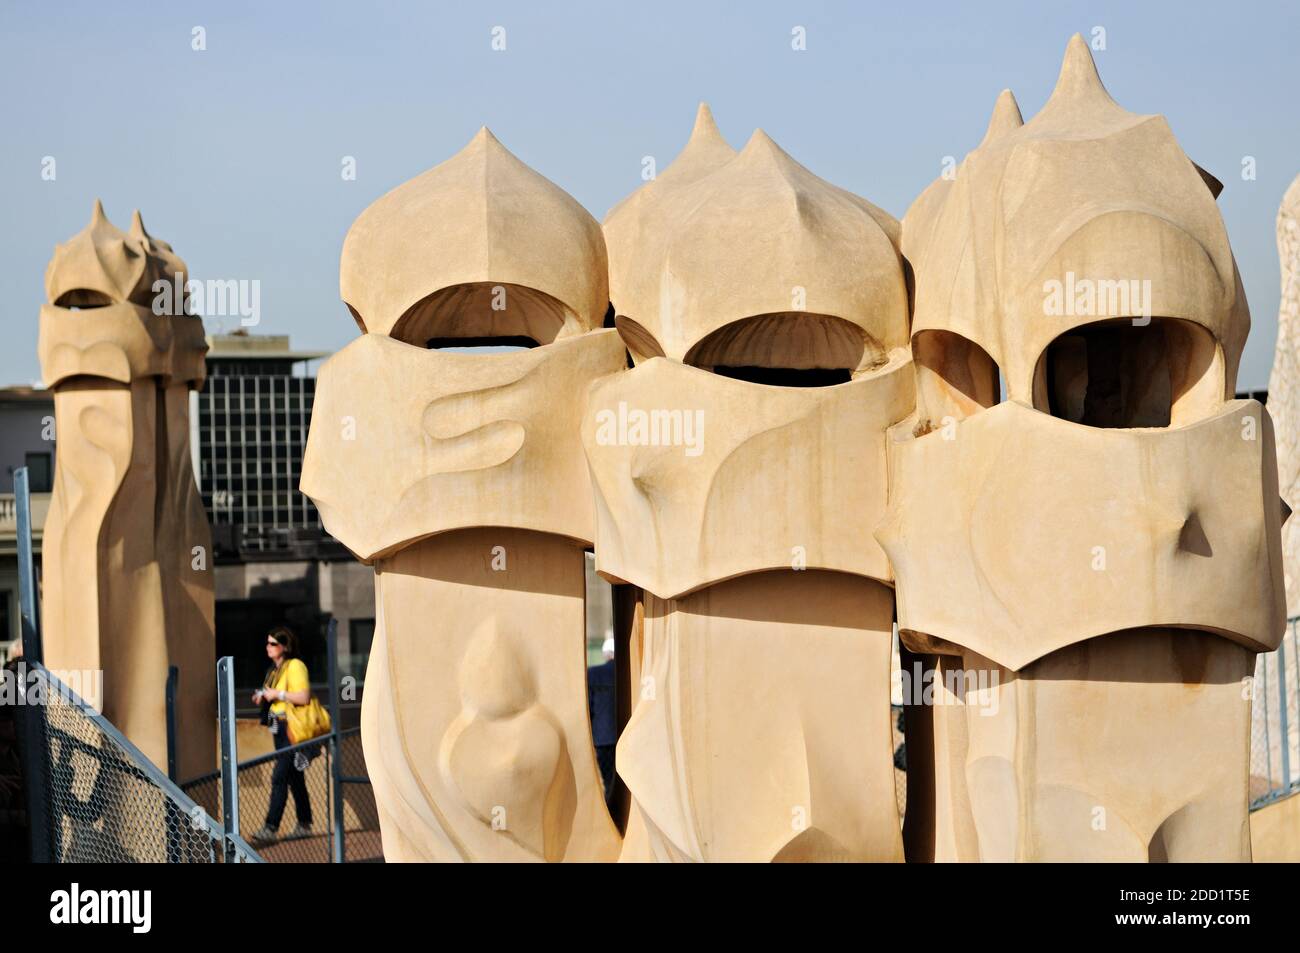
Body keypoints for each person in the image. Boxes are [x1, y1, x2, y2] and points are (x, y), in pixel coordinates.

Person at [249, 626, 313, 842]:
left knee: (279, 777)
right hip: (278, 727)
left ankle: (271, 827)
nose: (268, 647)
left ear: (285, 647)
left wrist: (278, 694)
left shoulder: (295, 666)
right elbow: (274, 695)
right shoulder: (275, 670)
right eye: (267, 643)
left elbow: (303, 697)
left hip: (290, 727)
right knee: (295, 777)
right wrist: (263, 696)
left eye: (273, 644)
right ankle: (305, 824)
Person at [586, 637, 617, 807]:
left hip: (601, 738)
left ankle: (609, 811)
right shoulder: (629, 671)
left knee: (606, 780)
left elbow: (589, 708)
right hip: (625, 737)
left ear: (605, 654)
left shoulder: (593, 675)